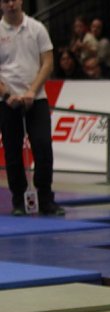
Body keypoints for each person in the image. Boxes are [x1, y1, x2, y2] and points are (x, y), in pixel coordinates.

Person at [0, 0, 64, 216]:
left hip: (36, 99)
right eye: (5, 1)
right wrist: (7, 95)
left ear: (21, 1)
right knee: (12, 150)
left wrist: (32, 91)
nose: (10, 4)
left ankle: (46, 198)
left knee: (43, 145)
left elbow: (48, 63)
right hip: (7, 102)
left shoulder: (37, 28)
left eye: (13, 0)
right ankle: (18, 200)